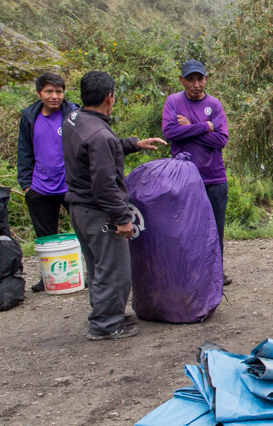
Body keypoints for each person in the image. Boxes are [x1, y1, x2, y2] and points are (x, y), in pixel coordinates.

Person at [63, 71, 164, 340]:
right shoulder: (99, 134)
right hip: (98, 213)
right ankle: (106, 324)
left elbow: (99, 151)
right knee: (115, 270)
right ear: (110, 97)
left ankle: (107, 314)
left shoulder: (75, 119)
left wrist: (133, 144)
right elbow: (105, 184)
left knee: (98, 267)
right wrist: (122, 218)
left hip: (78, 208)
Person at [162, 59, 232, 285]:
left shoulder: (215, 104)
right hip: (184, 179)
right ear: (181, 80)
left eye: (199, 78)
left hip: (214, 178)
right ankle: (189, 272)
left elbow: (221, 139)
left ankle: (215, 274)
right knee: (185, 228)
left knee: (215, 228)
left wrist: (189, 125)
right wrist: (205, 125)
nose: (195, 84)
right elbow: (170, 132)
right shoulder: (173, 101)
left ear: (205, 79)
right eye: (190, 79)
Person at [17, 71, 79, 292]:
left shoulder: (74, 114)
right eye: (49, 91)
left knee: (85, 231)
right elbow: (24, 152)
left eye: (59, 91)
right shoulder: (29, 117)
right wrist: (26, 184)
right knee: (46, 237)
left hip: (71, 186)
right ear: (38, 93)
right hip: (40, 187)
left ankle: (86, 275)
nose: (54, 96)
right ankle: (49, 278)